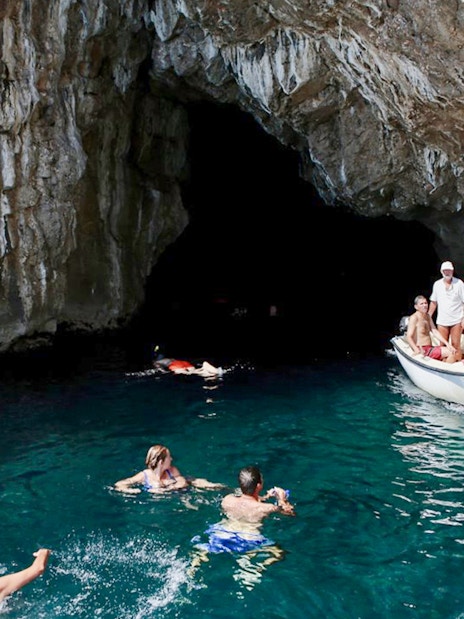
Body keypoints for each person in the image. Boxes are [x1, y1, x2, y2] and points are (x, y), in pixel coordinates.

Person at [114, 444, 224, 494]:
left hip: (180, 491)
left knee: (200, 483)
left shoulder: (172, 471)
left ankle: (221, 487)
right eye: (168, 457)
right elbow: (120, 483)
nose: (171, 459)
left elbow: (182, 483)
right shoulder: (144, 475)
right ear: (161, 462)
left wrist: (166, 489)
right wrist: (128, 490)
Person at [429, 261, 464, 361]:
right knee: (442, 346)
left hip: (457, 320)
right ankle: (444, 366)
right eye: (445, 270)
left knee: (455, 345)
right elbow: (433, 302)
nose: (447, 272)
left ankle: (455, 366)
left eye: (449, 270)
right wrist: (428, 316)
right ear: (441, 271)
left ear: (452, 271)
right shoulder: (437, 284)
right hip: (442, 321)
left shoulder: (459, 283)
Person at [406, 294, 457, 362]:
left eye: (426, 303)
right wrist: (416, 350)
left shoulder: (427, 316)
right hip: (423, 349)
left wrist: (447, 344)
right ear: (416, 307)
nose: (424, 305)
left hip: (430, 348)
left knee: (452, 350)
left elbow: (434, 331)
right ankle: (446, 369)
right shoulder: (414, 318)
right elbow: (409, 336)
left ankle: (444, 367)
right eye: (421, 304)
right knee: (452, 353)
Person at [152, 346, 224, 377]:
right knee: (193, 371)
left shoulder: (156, 362)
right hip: (185, 363)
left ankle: (206, 371)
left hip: (175, 365)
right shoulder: (170, 358)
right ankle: (205, 368)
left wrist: (165, 372)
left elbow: (160, 369)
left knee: (189, 373)